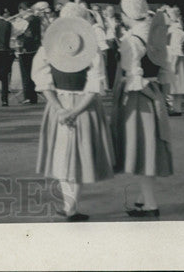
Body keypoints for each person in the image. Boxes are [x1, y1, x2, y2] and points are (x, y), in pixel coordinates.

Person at [33, 13, 115, 221]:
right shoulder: (92, 52)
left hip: (58, 105)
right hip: (84, 108)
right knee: (80, 158)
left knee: (61, 156)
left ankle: (68, 206)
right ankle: (71, 208)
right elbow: (93, 88)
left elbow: (43, 84)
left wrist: (60, 109)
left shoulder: (46, 50)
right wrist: (74, 112)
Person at [111, 0, 173, 219]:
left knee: (142, 151)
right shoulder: (156, 34)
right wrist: (161, 96)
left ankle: (151, 204)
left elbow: (133, 76)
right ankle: (142, 199)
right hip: (154, 94)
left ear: (127, 14)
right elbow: (166, 71)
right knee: (150, 148)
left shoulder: (131, 40)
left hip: (139, 98)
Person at [163, 7, 184, 116]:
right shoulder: (171, 29)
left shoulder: (176, 31)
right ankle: (175, 108)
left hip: (174, 59)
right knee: (173, 86)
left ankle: (175, 108)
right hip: (171, 58)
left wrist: (173, 64)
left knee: (174, 85)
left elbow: (176, 49)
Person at [16, 2, 45, 105]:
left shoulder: (26, 21)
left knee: (26, 74)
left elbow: (24, 34)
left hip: (25, 49)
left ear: (21, 10)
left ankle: (28, 97)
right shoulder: (37, 19)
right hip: (35, 48)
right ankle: (33, 96)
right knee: (33, 73)